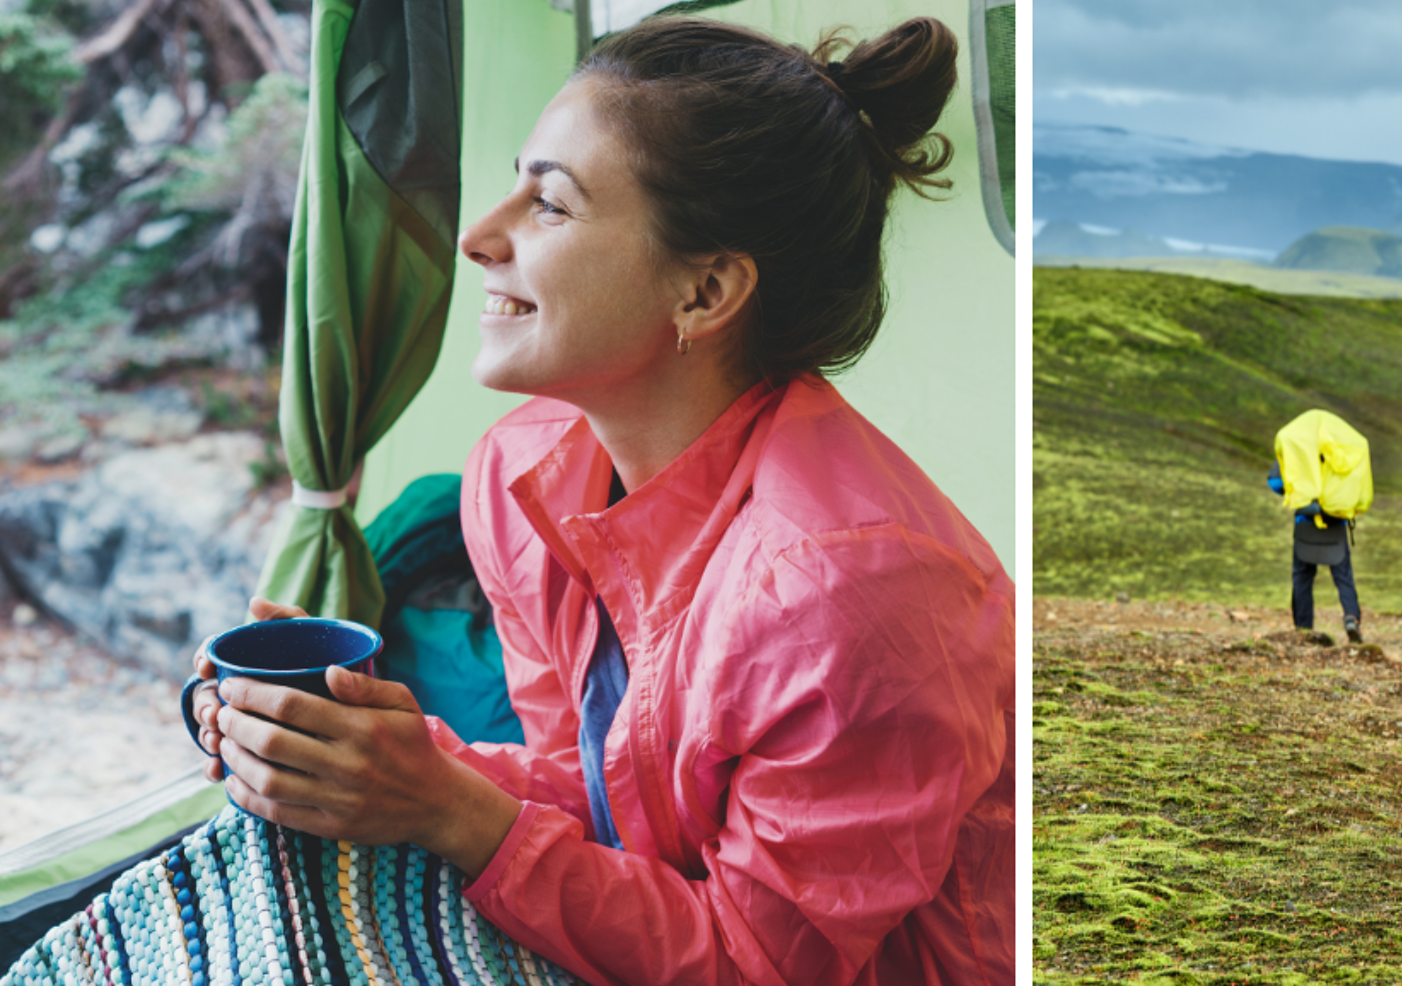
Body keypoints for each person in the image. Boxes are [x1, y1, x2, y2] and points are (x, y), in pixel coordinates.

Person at [187, 16, 1014, 986]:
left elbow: (760, 961)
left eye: (551, 205)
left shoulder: (851, 591)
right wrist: (378, 750)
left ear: (704, 290)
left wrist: (453, 809)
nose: (477, 235)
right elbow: (602, 795)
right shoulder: (525, 476)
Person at [1269, 462, 1363, 643]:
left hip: (1305, 521)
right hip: (1336, 521)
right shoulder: (1339, 445)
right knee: (1343, 577)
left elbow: (1275, 482)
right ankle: (1352, 619)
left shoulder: (1297, 443)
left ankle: (1304, 630)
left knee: (1302, 578)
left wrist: (1293, 490)